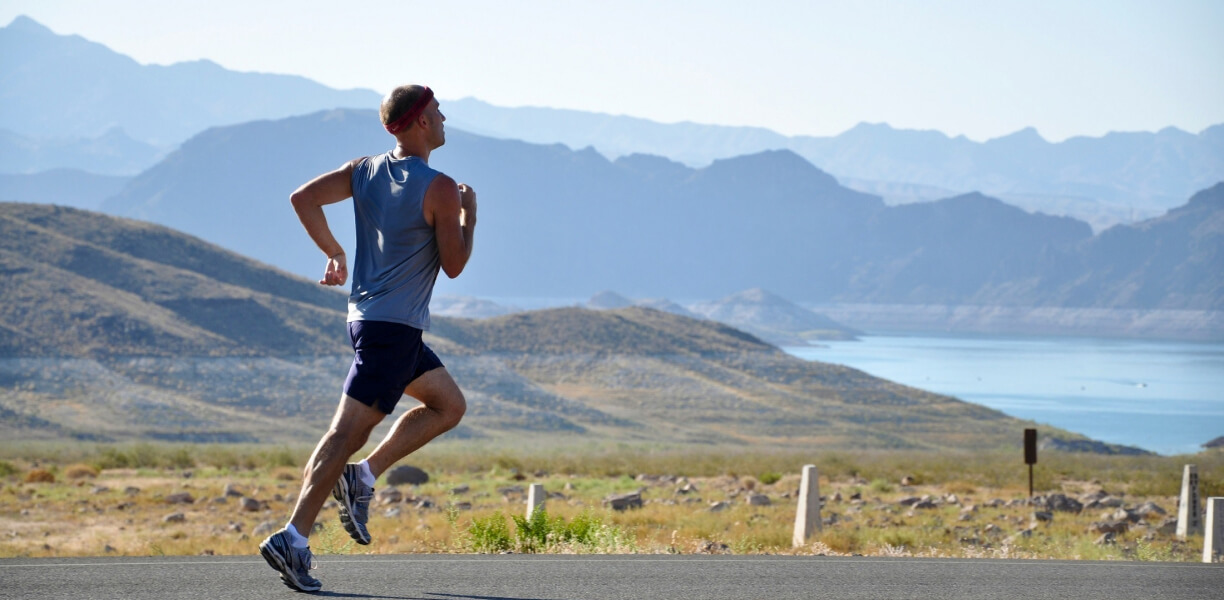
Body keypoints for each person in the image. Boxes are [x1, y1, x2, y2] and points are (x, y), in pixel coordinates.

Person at [259, 84, 476, 592]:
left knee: (448, 405)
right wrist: (469, 214)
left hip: (372, 322)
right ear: (421, 121)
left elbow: (303, 198)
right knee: (344, 434)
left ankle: (363, 476)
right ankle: (293, 537)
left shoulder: (364, 170)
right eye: (439, 113)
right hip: (392, 330)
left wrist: (334, 252)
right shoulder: (440, 187)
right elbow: (455, 265)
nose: (445, 121)